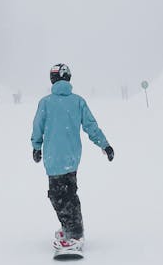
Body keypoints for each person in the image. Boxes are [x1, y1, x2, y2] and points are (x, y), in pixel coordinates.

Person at [31, 63, 114, 253]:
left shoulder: (46, 102)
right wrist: (105, 145)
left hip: (53, 158)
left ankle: (74, 234)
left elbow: (38, 127)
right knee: (68, 194)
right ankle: (71, 228)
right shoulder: (77, 101)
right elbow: (91, 126)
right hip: (71, 157)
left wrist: (36, 147)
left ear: (53, 79)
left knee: (58, 196)